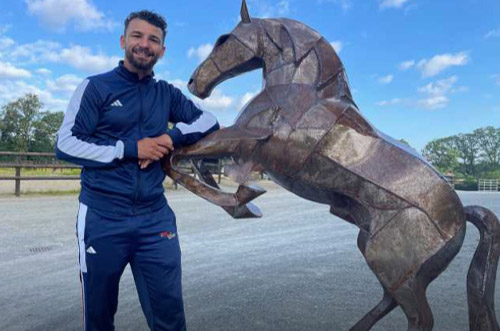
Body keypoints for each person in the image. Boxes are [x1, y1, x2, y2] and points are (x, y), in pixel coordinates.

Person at [56, 10, 219, 331]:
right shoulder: (95, 87)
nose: (144, 45)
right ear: (123, 41)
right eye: (137, 36)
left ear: (162, 50)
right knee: (99, 317)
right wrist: (131, 148)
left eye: (153, 40)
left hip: (154, 217)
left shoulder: (166, 93)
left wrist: (169, 137)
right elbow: (66, 144)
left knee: (170, 317)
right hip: (102, 216)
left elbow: (209, 120)